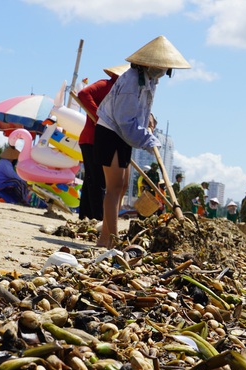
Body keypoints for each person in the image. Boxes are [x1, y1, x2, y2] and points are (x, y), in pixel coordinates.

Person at [93, 35, 191, 248]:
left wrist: (148, 117)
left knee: (122, 185)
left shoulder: (147, 79)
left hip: (120, 133)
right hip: (110, 131)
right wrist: (149, 140)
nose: (163, 72)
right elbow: (125, 121)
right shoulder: (130, 80)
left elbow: (139, 109)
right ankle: (113, 239)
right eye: (162, 67)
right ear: (150, 63)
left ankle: (104, 239)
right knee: (114, 187)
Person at [77, 64, 129, 221]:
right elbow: (83, 93)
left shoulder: (123, 94)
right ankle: (98, 216)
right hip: (92, 138)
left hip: (100, 139)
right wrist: (99, 117)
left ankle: (85, 215)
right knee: (98, 178)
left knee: (92, 178)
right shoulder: (106, 85)